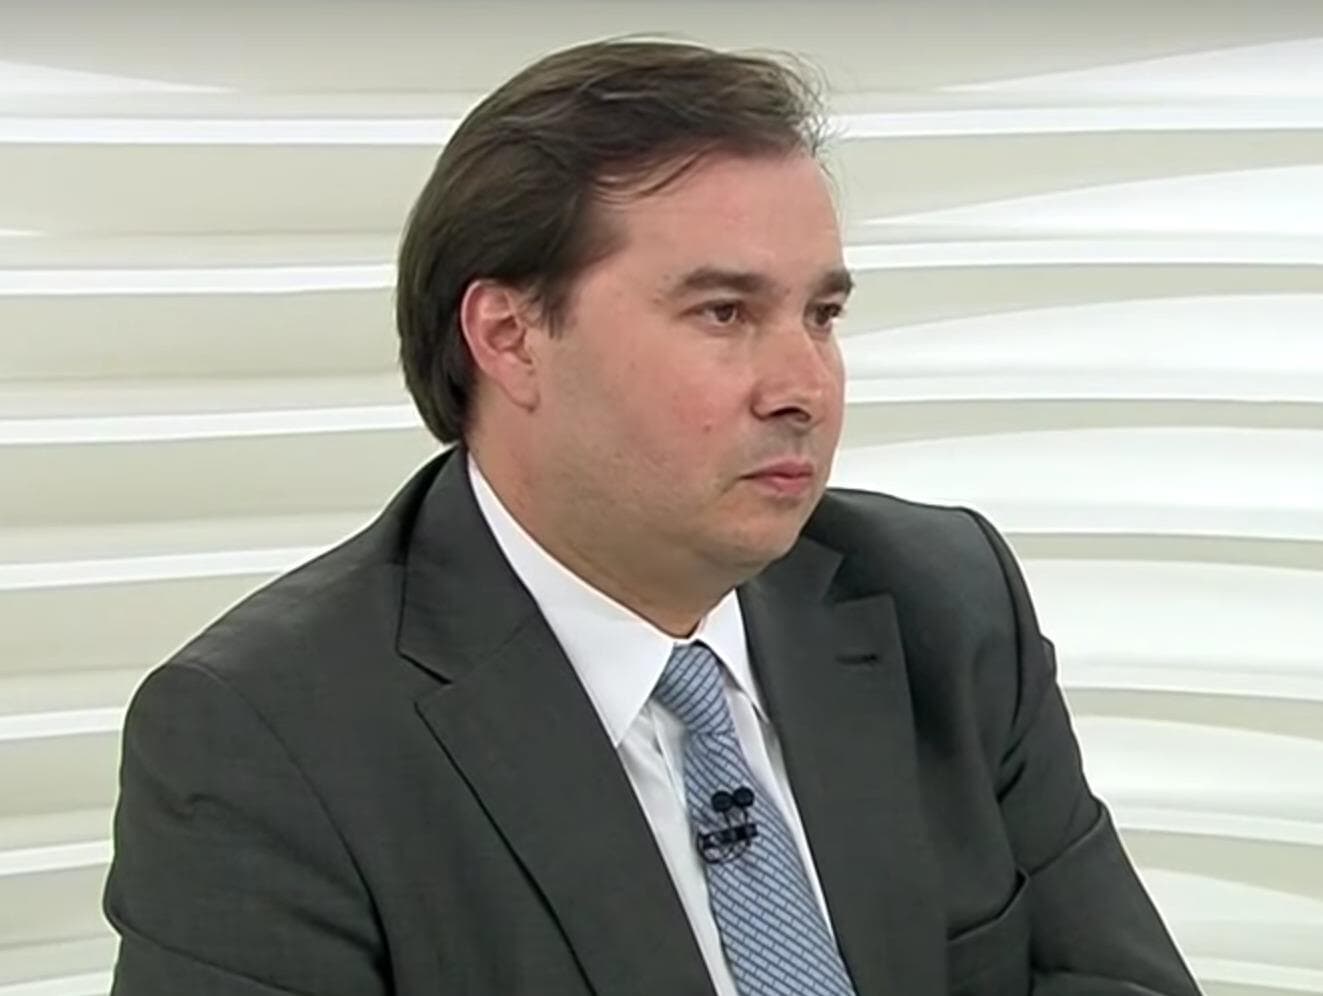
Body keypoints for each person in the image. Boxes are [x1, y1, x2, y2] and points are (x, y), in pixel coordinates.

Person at [102, 38, 1202, 996]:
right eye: (723, 313)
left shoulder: (942, 599)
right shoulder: (267, 739)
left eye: (821, 315)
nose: (803, 386)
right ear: (510, 338)